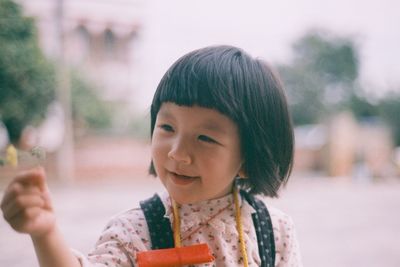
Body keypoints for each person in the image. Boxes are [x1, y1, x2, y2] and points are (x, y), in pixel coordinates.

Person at [1, 45, 302, 266]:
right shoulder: (135, 231)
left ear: (249, 158)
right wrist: (45, 233)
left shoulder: (273, 231)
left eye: (205, 138)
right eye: (168, 127)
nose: (177, 153)